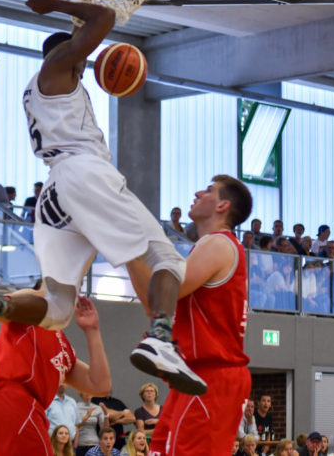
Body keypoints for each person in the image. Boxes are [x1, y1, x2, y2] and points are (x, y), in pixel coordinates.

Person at [0, 0, 203, 395]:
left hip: (57, 194)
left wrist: (76, 15)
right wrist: (60, 5)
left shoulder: (50, 88)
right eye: (81, 54)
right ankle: (161, 337)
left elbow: (87, 32)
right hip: (84, 175)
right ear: (69, 54)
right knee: (167, 257)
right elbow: (102, 18)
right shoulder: (57, 67)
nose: (87, 59)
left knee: (58, 309)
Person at [128, 176, 253, 456]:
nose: (198, 192)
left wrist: (130, 241)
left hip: (214, 375)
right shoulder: (206, 247)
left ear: (223, 205)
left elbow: (169, 290)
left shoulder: (220, 244)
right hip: (191, 374)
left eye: (209, 190)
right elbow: (153, 303)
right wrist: (127, 250)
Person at [0, 289, 110, 456]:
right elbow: (4, 310)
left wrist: (92, 330)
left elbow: (100, 385)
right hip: (12, 401)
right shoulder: (33, 309)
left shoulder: (65, 349)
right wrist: (47, 292)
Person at [76, 391, 107, 456]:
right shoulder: (76, 406)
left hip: (95, 444)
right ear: (81, 393)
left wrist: (106, 415)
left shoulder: (97, 408)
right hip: (80, 444)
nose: (88, 393)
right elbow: (75, 426)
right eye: (85, 390)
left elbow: (104, 430)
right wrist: (87, 416)